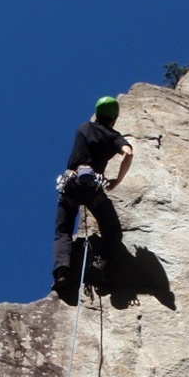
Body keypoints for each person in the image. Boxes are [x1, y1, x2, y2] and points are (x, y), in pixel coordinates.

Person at [52, 96, 134, 291]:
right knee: (112, 230)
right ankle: (99, 264)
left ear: (97, 114)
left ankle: (62, 273)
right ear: (114, 118)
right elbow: (128, 153)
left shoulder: (83, 128)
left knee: (63, 231)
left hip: (70, 185)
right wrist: (117, 181)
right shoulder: (113, 136)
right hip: (92, 188)